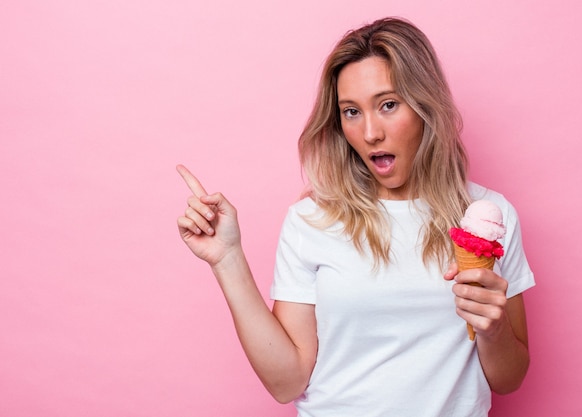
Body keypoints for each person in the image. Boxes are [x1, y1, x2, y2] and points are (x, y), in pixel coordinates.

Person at [176, 17, 534, 417]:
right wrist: (227, 260)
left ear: (425, 105)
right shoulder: (312, 219)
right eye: (350, 112)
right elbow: (287, 382)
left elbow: (510, 379)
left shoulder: (489, 217)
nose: (370, 133)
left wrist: (493, 328)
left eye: (388, 105)